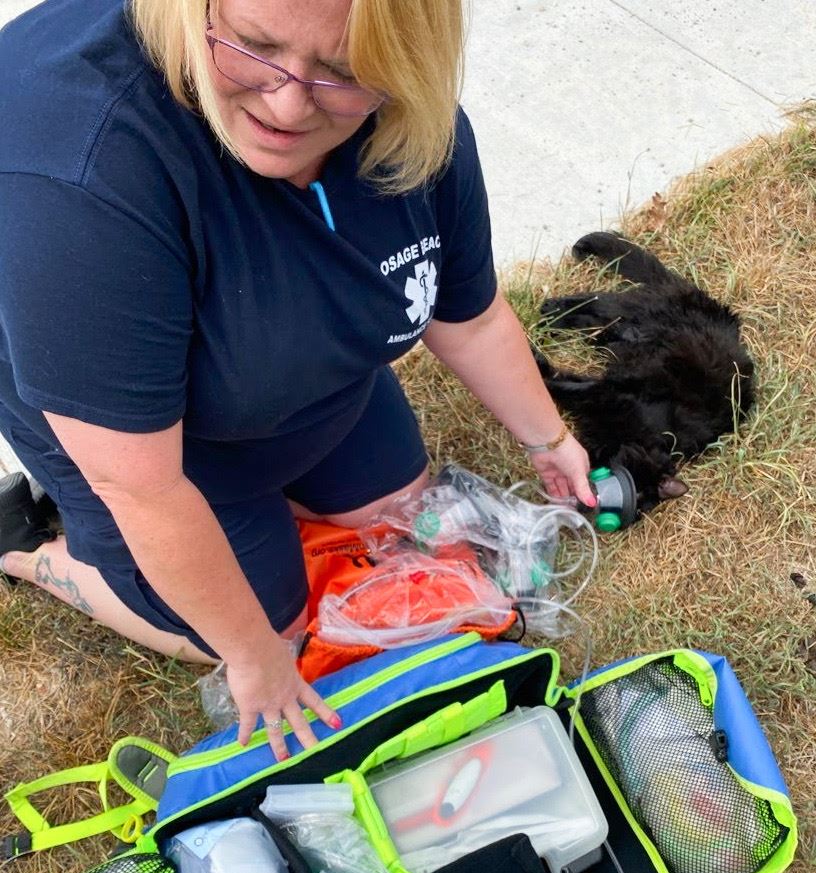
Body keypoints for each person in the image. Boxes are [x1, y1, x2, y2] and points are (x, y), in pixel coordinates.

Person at [0, 0, 594, 762]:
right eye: (253, 46)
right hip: (137, 440)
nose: (286, 104)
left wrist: (547, 438)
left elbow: (467, 317)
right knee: (256, 625)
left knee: (401, 513)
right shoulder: (87, 178)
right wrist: (254, 660)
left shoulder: (417, 126)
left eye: (343, 72)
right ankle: (40, 555)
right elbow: (142, 487)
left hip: (277, 373)